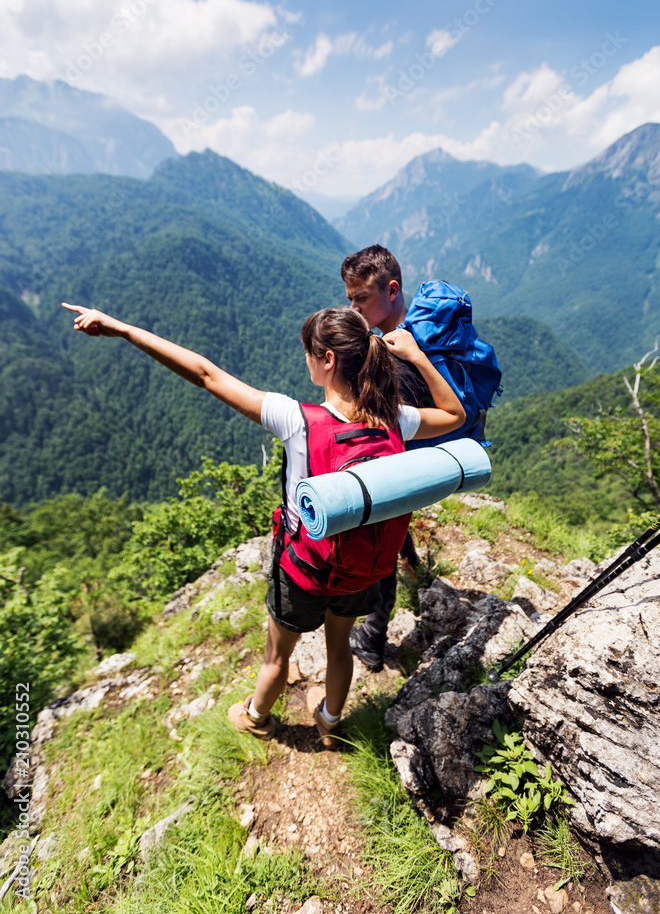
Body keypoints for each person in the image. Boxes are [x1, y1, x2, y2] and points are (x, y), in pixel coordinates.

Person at [62, 301, 465, 746]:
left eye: (309, 353)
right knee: (338, 648)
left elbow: (205, 374)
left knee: (277, 654)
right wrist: (415, 355)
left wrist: (122, 329)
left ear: (327, 361)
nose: (306, 360)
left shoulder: (297, 420)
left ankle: (255, 717)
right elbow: (454, 416)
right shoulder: (395, 419)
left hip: (304, 571)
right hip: (360, 570)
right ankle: (330, 722)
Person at [341, 244, 459, 672]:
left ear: (392, 290)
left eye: (361, 298)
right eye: (349, 297)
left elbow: (395, 438)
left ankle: (372, 638)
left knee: (382, 539)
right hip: (411, 451)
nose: (351, 307)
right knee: (394, 531)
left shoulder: (398, 359)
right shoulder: (398, 337)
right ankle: (411, 561)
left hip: (400, 463)